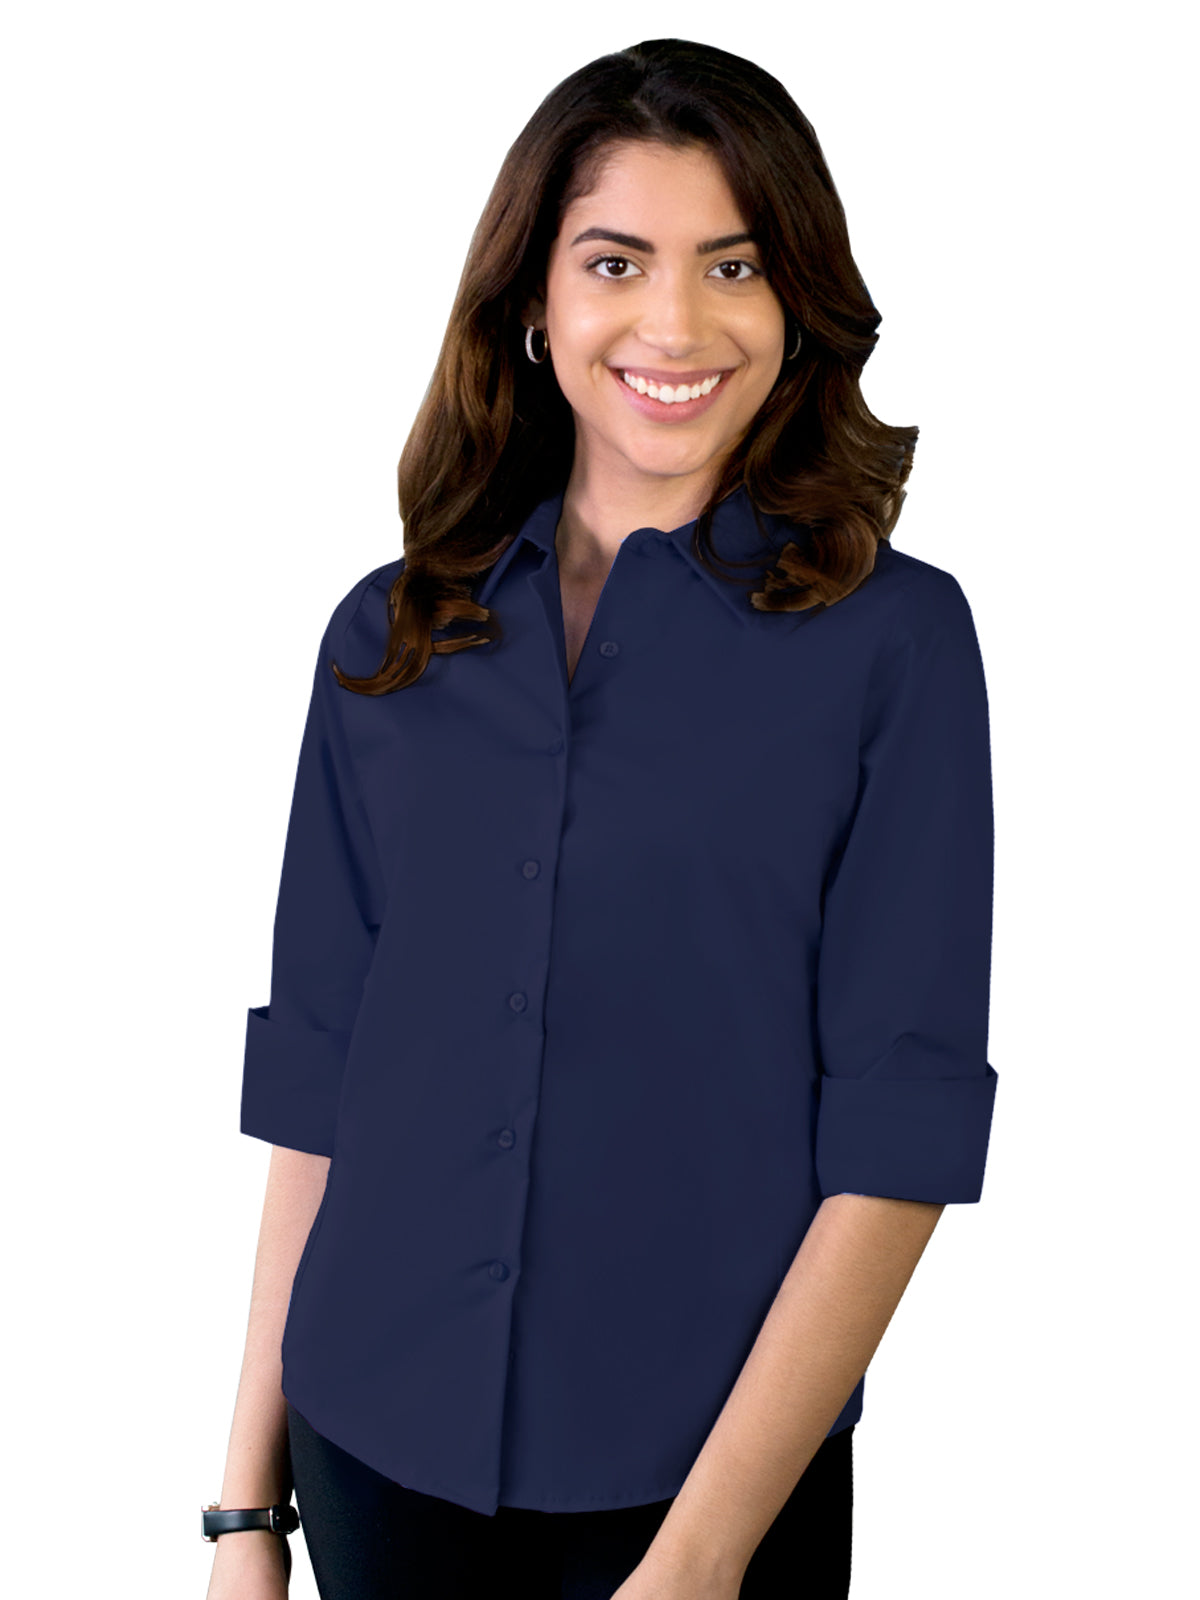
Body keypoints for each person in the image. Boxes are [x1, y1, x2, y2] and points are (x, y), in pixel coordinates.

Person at [203, 36, 998, 1600]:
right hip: (370, 1448)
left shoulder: (894, 644)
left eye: (735, 265)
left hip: (702, 1486)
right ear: (534, 303)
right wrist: (246, 1513)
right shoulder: (389, 636)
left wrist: (701, 1560)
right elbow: (323, 1080)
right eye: (616, 262)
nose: (676, 324)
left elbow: (899, 1129)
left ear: (798, 304)